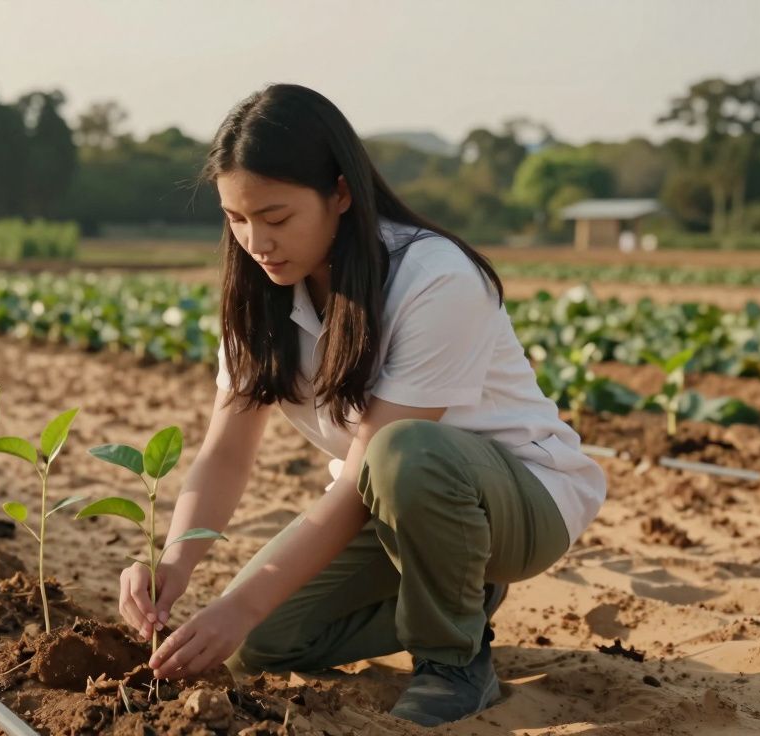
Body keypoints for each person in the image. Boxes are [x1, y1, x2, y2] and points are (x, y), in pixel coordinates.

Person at [116, 83, 606, 728]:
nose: (257, 241)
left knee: (402, 452)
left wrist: (239, 604)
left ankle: (454, 661)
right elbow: (226, 454)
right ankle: (459, 591)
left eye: (277, 217)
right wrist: (174, 560)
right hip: (392, 503)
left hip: (519, 500)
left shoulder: (434, 277)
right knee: (263, 643)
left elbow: (366, 470)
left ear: (341, 193)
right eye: (236, 218)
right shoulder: (260, 295)